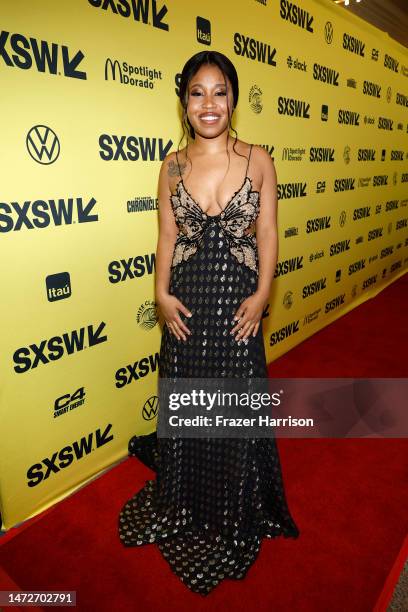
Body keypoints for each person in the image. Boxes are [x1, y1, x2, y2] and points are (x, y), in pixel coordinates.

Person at [118, 50, 300, 596]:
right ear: (184, 102)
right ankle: (187, 493)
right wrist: (160, 293)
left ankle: (234, 501)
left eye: (219, 91)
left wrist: (264, 291)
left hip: (239, 305)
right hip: (188, 306)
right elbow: (168, 239)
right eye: (197, 92)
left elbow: (266, 233)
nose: (209, 104)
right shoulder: (170, 167)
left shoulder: (259, 159)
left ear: (234, 98)